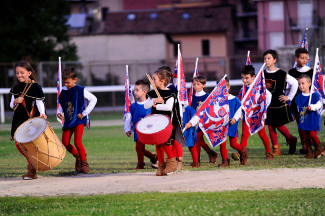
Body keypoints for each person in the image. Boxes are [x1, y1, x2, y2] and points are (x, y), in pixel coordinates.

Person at [144, 68, 186, 176]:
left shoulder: (171, 93)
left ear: (162, 81)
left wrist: (157, 106)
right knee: (158, 145)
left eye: (154, 79)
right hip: (155, 123)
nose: (152, 81)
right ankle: (161, 166)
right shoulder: (153, 94)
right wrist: (154, 100)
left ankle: (171, 163)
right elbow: (146, 105)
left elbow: (169, 107)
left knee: (166, 143)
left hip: (166, 123)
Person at [9, 60, 47, 180]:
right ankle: (33, 165)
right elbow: (11, 105)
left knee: (29, 145)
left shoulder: (35, 86)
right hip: (18, 119)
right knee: (18, 144)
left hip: (30, 119)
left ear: (29, 73)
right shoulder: (15, 88)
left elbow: (39, 102)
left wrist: (42, 113)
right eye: (17, 73)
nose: (19, 75)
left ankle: (32, 171)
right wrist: (16, 101)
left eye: (22, 72)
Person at [57, 67, 97, 173]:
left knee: (77, 142)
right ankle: (78, 157)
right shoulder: (63, 91)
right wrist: (60, 113)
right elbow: (61, 104)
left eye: (68, 82)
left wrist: (84, 113)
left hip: (79, 120)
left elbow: (94, 99)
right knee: (65, 143)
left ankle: (84, 163)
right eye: (64, 82)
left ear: (75, 80)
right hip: (68, 121)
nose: (66, 84)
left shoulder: (80, 89)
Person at [233, 65, 274, 162]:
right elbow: (239, 102)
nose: (244, 80)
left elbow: (268, 96)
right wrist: (238, 114)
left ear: (253, 77)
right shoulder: (243, 89)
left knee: (262, 133)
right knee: (244, 134)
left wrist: (263, 109)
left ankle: (269, 153)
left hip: (257, 115)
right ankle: (241, 153)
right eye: (242, 78)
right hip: (247, 116)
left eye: (246, 78)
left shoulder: (259, 87)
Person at [263, 49, 298, 156]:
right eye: (264, 58)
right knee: (270, 126)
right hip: (267, 105)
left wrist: (289, 97)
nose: (266, 60)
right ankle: (276, 148)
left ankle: (291, 139)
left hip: (278, 104)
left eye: (269, 58)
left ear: (274, 60)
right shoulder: (262, 74)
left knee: (278, 125)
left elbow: (295, 83)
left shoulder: (282, 73)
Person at [124, 80, 158, 169]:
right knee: (140, 148)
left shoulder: (150, 104)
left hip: (149, 131)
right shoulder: (133, 106)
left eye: (137, 90)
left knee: (139, 148)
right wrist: (127, 129)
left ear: (144, 92)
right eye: (134, 90)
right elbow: (128, 118)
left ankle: (142, 164)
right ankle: (152, 158)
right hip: (138, 131)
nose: (134, 92)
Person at [218, 77, 248, 166]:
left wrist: (235, 118)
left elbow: (239, 110)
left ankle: (243, 151)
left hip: (232, 125)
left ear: (228, 87)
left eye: (224, 87)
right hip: (222, 125)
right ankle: (225, 161)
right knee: (222, 144)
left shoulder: (235, 99)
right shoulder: (217, 100)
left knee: (233, 144)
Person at [288, 48, 313, 154]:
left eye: (306, 58)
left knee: (309, 124)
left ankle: (310, 144)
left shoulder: (312, 71)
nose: (304, 60)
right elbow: (289, 87)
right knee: (300, 125)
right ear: (296, 59)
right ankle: (304, 145)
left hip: (308, 102)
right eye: (302, 58)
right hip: (296, 103)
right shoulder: (291, 72)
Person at [190, 75, 218, 163]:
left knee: (197, 140)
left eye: (198, 84)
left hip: (204, 122)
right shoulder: (192, 97)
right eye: (194, 84)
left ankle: (197, 160)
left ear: (203, 85)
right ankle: (211, 153)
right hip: (195, 122)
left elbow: (211, 109)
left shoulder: (207, 96)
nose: (195, 86)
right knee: (199, 140)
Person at [295, 74, 323, 159]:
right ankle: (309, 151)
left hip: (313, 119)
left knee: (312, 134)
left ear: (309, 84)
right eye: (299, 84)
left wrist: (313, 107)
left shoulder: (314, 95)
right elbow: (299, 108)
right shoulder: (299, 97)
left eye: (303, 83)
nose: (301, 86)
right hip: (304, 119)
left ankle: (318, 147)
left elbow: (319, 105)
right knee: (306, 136)